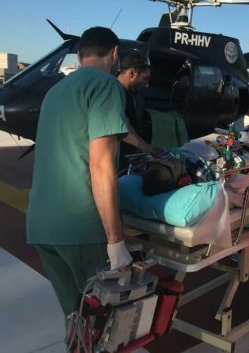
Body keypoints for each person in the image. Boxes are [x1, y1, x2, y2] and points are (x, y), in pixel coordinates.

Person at [26, 26, 133, 320]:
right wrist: (116, 241)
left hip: (42, 226)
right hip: (80, 228)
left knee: (76, 320)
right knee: (103, 324)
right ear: (115, 53)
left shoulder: (56, 91)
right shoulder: (106, 86)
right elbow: (101, 164)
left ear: (79, 55)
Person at [116, 50, 163, 169]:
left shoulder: (128, 95)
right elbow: (122, 128)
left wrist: (140, 153)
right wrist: (149, 149)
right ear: (132, 73)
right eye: (144, 78)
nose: (147, 85)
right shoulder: (115, 92)